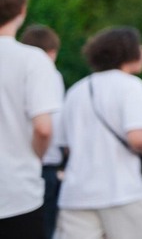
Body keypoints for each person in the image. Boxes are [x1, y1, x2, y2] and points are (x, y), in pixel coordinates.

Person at [56, 26, 142, 239]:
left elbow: (65, 147)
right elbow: (138, 139)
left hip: (76, 194)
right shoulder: (131, 86)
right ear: (128, 52)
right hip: (121, 191)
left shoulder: (76, 90)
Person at [0, 0, 62, 239]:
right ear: (22, 11)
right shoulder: (32, 59)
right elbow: (43, 129)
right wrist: (36, 154)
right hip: (18, 191)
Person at [19, 23, 67, 239]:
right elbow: (49, 126)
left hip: (13, 165)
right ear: (51, 52)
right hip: (43, 162)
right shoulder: (48, 73)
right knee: (43, 228)